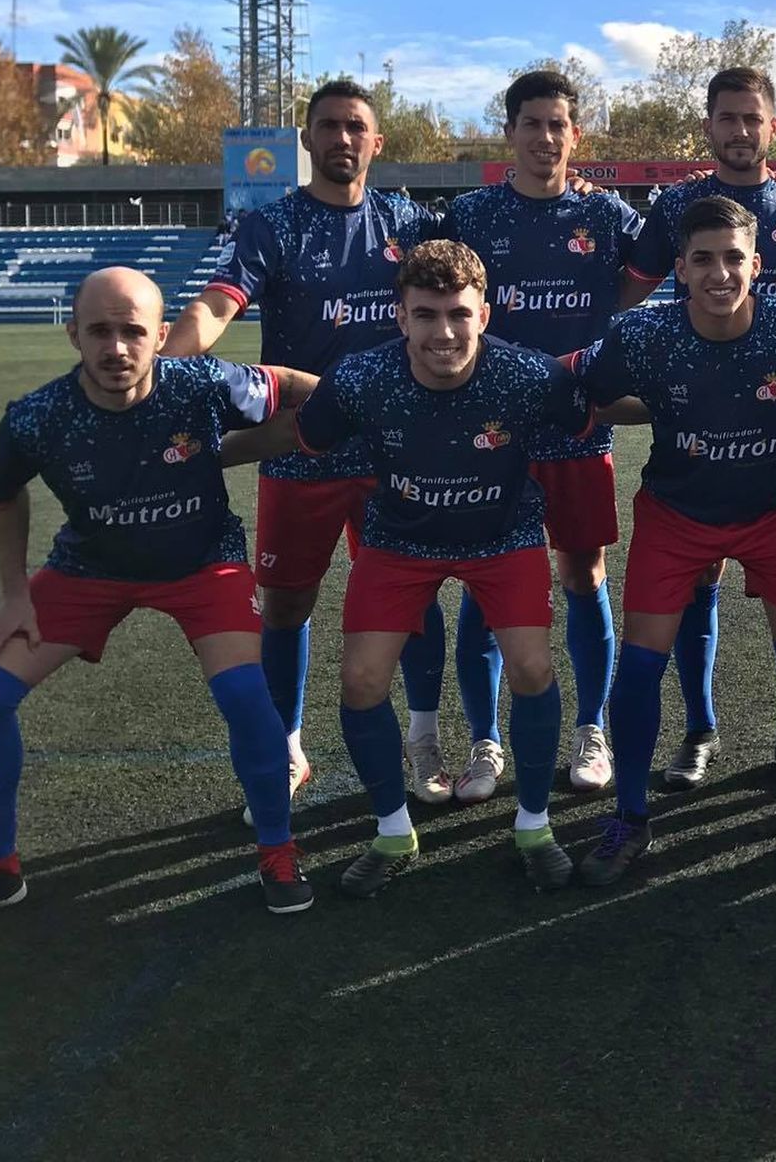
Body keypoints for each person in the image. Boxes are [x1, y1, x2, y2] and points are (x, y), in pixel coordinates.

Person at [0, 268, 320, 935]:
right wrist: (16, 595)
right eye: (100, 331)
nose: (116, 348)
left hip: (202, 564)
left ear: (161, 337)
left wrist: (352, 403)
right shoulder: (35, 418)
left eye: (133, 332)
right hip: (89, 569)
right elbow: (2, 497)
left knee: (248, 698)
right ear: (73, 332)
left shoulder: (202, 383)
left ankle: (277, 853)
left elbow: (288, 388)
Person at [228, 240, 607, 893]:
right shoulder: (360, 378)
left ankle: (534, 824)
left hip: (502, 536)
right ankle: (393, 830)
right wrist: (194, 456)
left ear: (484, 315)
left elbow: (596, 413)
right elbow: (299, 432)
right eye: (426, 315)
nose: (444, 331)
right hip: (399, 540)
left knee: (533, 666)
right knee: (362, 682)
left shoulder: (528, 376)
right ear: (400, 318)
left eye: (459, 314)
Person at [164, 80, 450, 811]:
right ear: (308, 140)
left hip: (393, 450)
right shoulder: (273, 227)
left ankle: (425, 738)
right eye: (329, 126)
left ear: (375, 143)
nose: (343, 139)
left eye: (357, 127)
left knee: (415, 600)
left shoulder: (408, 225)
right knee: (287, 605)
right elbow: (217, 304)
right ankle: (288, 743)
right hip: (300, 450)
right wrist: (165, 366)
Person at [571, 196, 776, 884]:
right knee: (642, 667)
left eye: (733, 257)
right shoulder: (643, 336)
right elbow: (577, 386)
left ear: (757, 265)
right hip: (678, 514)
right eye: (702, 259)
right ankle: (631, 819)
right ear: (678, 268)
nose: (718, 272)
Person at [622, 66, 776, 788]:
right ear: (709, 126)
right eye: (727, 118)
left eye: (753, 118)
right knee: (695, 585)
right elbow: (627, 292)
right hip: (693, 425)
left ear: (772, 126)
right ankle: (699, 729)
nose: (740, 131)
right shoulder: (675, 206)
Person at [441, 69, 645, 802]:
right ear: (510, 133)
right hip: (491, 432)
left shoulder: (611, 215)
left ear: (575, 135)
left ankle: (593, 729)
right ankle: (484, 740)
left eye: (558, 124)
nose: (545, 137)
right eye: (532, 123)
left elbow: (648, 271)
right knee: (482, 582)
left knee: (584, 571)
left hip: (577, 428)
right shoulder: (471, 216)